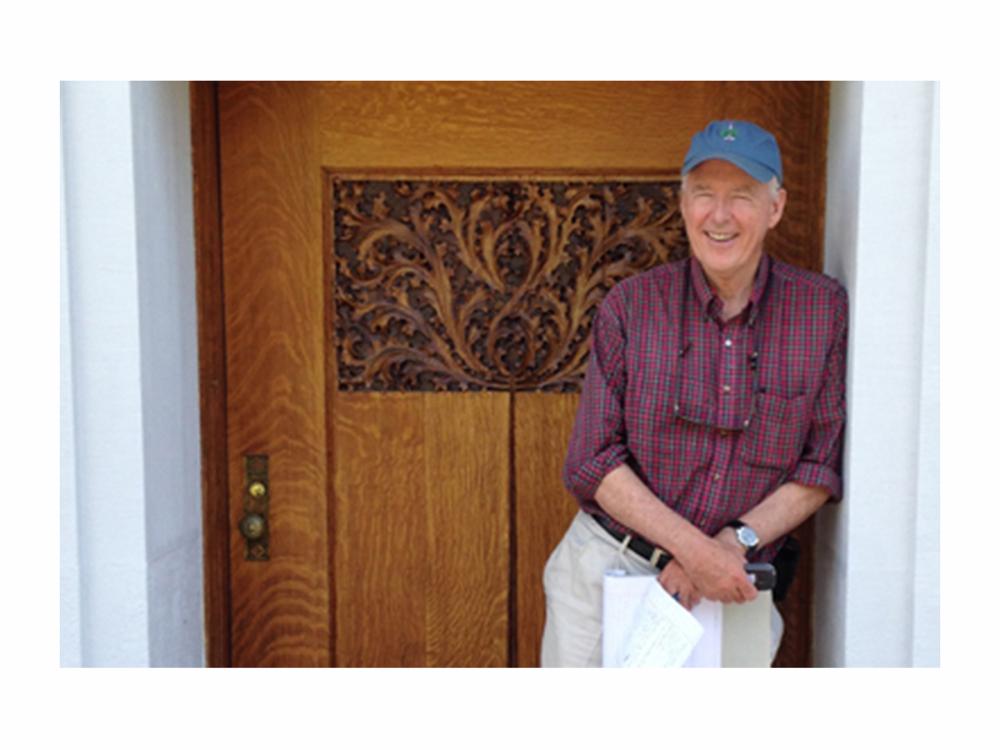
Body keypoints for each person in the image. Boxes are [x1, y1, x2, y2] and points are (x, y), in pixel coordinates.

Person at [541, 119, 848, 667]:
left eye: (742, 197)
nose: (720, 215)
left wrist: (726, 549)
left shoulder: (821, 311)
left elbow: (817, 470)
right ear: (684, 206)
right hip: (607, 569)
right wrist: (694, 549)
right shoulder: (630, 307)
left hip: (735, 583)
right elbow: (593, 462)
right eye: (704, 195)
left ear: (775, 207)